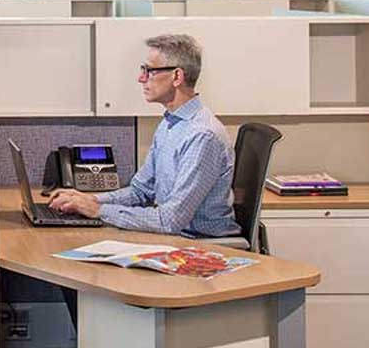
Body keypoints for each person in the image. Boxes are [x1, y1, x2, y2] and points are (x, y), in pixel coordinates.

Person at [50, 33, 241, 238]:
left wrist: (97, 210)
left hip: (202, 244)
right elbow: (139, 191)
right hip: (176, 235)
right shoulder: (170, 123)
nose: (141, 78)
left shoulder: (203, 135)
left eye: (149, 71)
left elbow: (170, 220)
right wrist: (92, 200)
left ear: (177, 76)